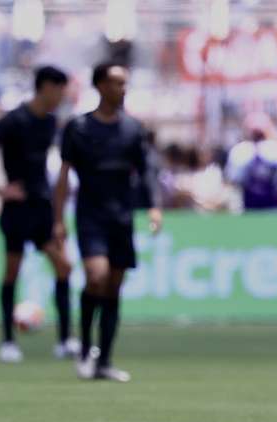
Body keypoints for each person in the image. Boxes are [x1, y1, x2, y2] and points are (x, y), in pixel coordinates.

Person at [53, 62, 162, 382]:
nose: (122, 88)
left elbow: (147, 172)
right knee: (96, 278)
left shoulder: (133, 129)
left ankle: (105, 360)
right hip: (90, 215)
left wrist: (154, 207)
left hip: (122, 217)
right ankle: (86, 349)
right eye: (116, 82)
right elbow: (63, 176)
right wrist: (58, 219)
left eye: (125, 82)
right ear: (99, 85)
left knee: (114, 287)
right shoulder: (78, 128)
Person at [0, 66, 76, 363]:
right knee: (12, 271)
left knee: (64, 267)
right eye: (58, 90)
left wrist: (59, 218)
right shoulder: (14, 120)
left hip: (42, 206)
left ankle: (66, 340)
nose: (61, 97)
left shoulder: (52, 123)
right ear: (44, 87)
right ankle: (7, 341)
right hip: (17, 209)